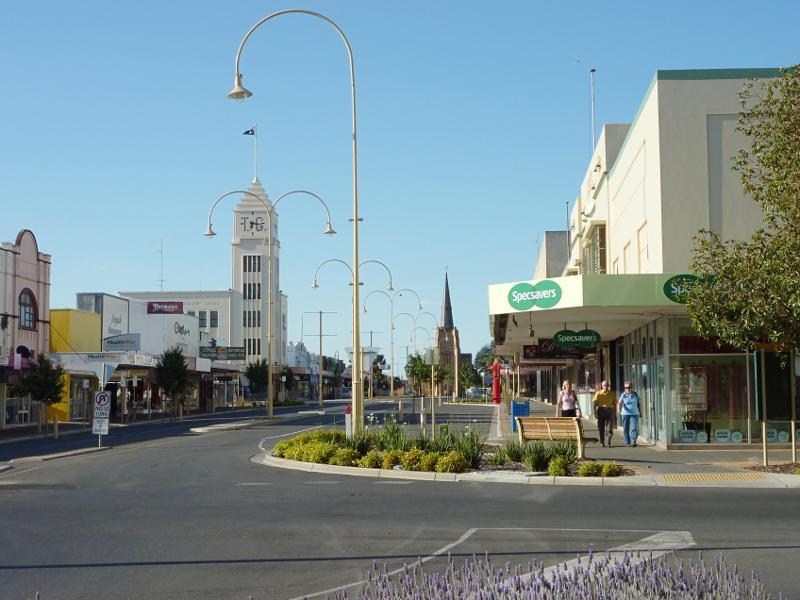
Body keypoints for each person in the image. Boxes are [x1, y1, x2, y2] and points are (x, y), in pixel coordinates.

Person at [592, 379, 617, 447]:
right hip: (601, 410)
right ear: (602, 386)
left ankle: (609, 442)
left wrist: (615, 413)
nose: (606, 386)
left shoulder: (612, 393)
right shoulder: (598, 393)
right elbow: (594, 404)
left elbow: (615, 404)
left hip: (609, 411)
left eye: (607, 385)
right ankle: (602, 442)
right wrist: (595, 413)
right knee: (601, 428)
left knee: (610, 428)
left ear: (608, 386)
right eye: (604, 385)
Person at [617, 381, 641, 447]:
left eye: (629, 387)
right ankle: (627, 442)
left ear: (632, 388)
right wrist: (618, 409)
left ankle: (633, 441)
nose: (627, 389)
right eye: (625, 387)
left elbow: (640, 403)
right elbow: (619, 403)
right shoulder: (623, 395)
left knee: (634, 427)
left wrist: (641, 412)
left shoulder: (636, 394)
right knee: (626, 428)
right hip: (625, 414)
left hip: (634, 413)